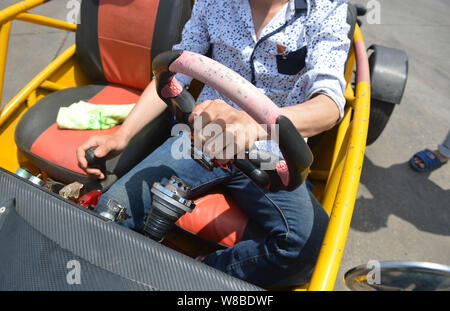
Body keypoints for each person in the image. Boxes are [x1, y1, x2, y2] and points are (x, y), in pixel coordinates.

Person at [76, 0, 350, 287]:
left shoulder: (325, 8)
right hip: (204, 137)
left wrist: (255, 124)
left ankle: (197, 276)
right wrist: (121, 135)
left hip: (271, 151)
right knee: (113, 209)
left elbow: (329, 105)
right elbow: (174, 71)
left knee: (311, 248)